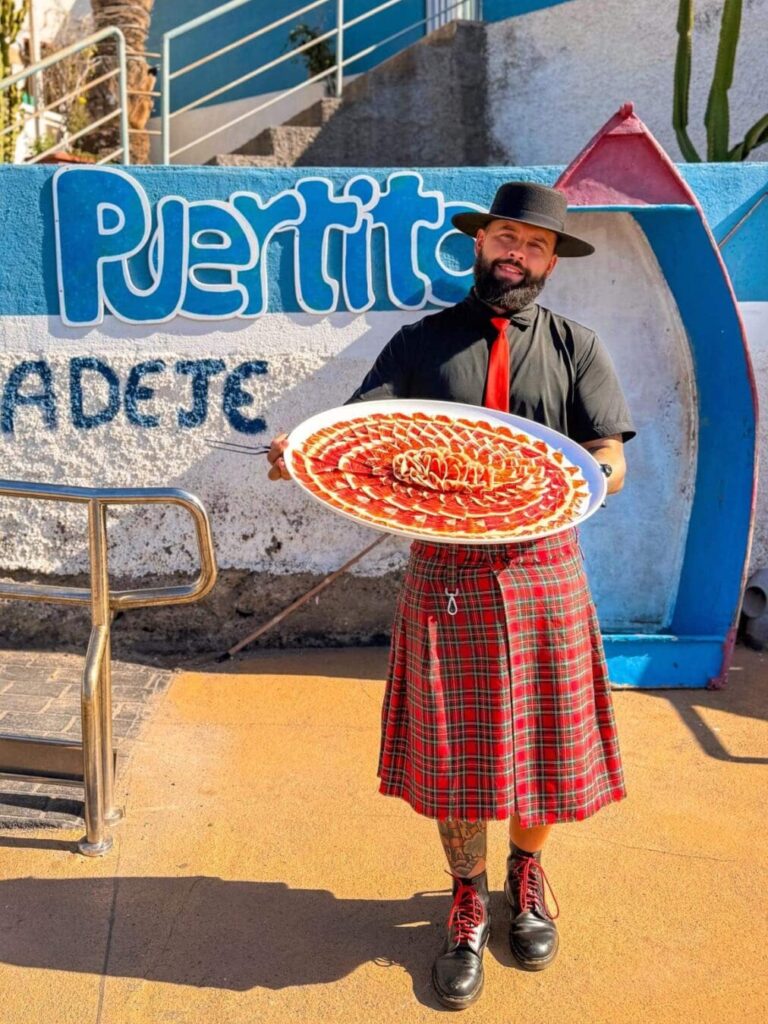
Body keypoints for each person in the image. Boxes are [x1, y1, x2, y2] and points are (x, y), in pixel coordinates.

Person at [267, 181, 636, 1010]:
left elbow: (609, 454)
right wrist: (304, 453)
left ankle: (525, 876)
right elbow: (361, 436)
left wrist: (596, 473)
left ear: (551, 262)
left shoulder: (577, 346)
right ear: (480, 243)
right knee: (457, 753)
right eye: (507, 238)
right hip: (446, 573)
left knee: (543, 743)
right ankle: (467, 895)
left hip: (545, 569)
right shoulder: (420, 342)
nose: (518, 255)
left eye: (535, 246)